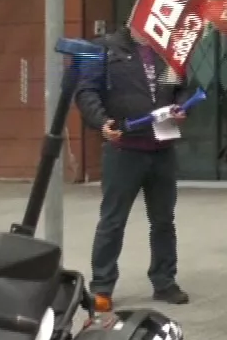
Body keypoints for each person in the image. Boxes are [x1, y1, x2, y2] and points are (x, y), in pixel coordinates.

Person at [76, 22, 194, 312]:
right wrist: (101, 122)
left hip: (162, 149)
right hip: (123, 150)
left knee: (164, 220)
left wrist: (181, 106)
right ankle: (102, 286)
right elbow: (86, 91)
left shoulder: (166, 50)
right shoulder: (102, 48)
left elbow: (182, 87)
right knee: (113, 220)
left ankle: (165, 281)